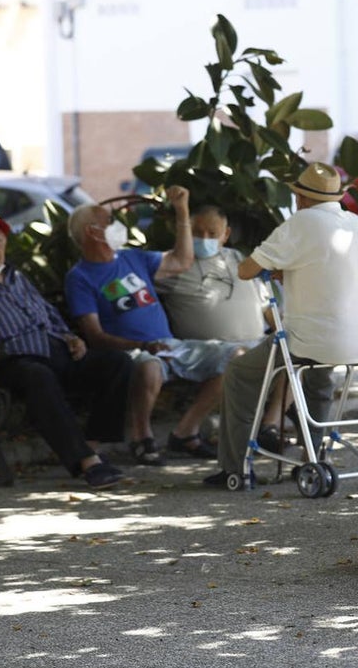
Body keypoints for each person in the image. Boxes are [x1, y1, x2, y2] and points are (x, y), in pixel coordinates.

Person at [203, 162, 358, 488]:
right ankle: (313, 455)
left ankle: (234, 468)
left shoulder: (300, 223)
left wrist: (272, 267)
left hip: (313, 339)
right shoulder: (354, 223)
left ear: (299, 197)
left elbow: (246, 270)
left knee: (240, 374)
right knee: (317, 376)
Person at [0, 213, 134, 490]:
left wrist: (70, 337)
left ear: (5, 244)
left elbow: (51, 316)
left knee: (117, 363)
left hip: (54, 352)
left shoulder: (17, 278)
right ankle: (87, 464)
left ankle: (90, 445)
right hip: (11, 362)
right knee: (37, 375)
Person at [64, 186, 242, 466]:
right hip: (134, 352)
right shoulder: (80, 277)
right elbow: (96, 336)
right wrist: (141, 345)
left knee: (236, 358)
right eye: (108, 222)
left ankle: (185, 431)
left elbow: (182, 260)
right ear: (91, 231)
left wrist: (182, 209)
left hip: (170, 345)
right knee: (148, 366)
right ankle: (141, 437)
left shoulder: (131, 257)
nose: (116, 226)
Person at [154, 203, 270, 347]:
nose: (204, 238)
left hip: (257, 347)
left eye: (212, 233)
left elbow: (266, 305)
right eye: (196, 232)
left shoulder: (238, 258)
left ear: (226, 234)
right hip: (209, 354)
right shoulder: (172, 265)